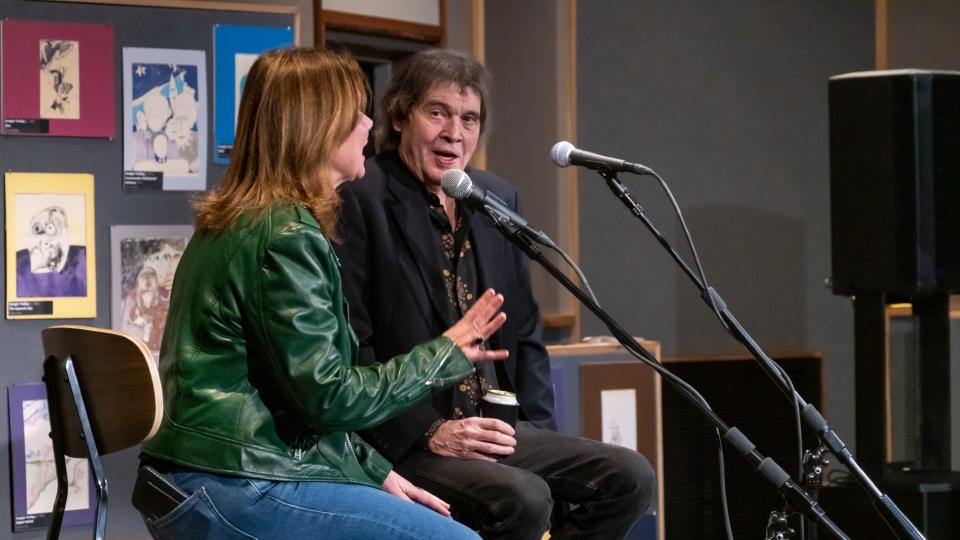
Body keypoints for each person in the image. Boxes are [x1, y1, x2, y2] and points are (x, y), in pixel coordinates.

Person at [139, 47, 510, 540]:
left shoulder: (243, 221)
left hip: (205, 470)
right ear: (314, 125)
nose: (366, 125)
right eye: (354, 112)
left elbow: (292, 397)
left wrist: (371, 469)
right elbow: (329, 397)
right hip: (233, 481)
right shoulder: (284, 234)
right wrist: (444, 355)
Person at [335, 49, 656, 539]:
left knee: (630, 477)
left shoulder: (495, 198)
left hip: (496, 423)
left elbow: (525, 334)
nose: (454, 133)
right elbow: (356, 343)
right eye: (436, 112)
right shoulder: (363, 196)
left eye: (469, 118)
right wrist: (428, 430)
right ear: (400, 116)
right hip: (416, 437)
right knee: (523, 497)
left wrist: (536, 429)